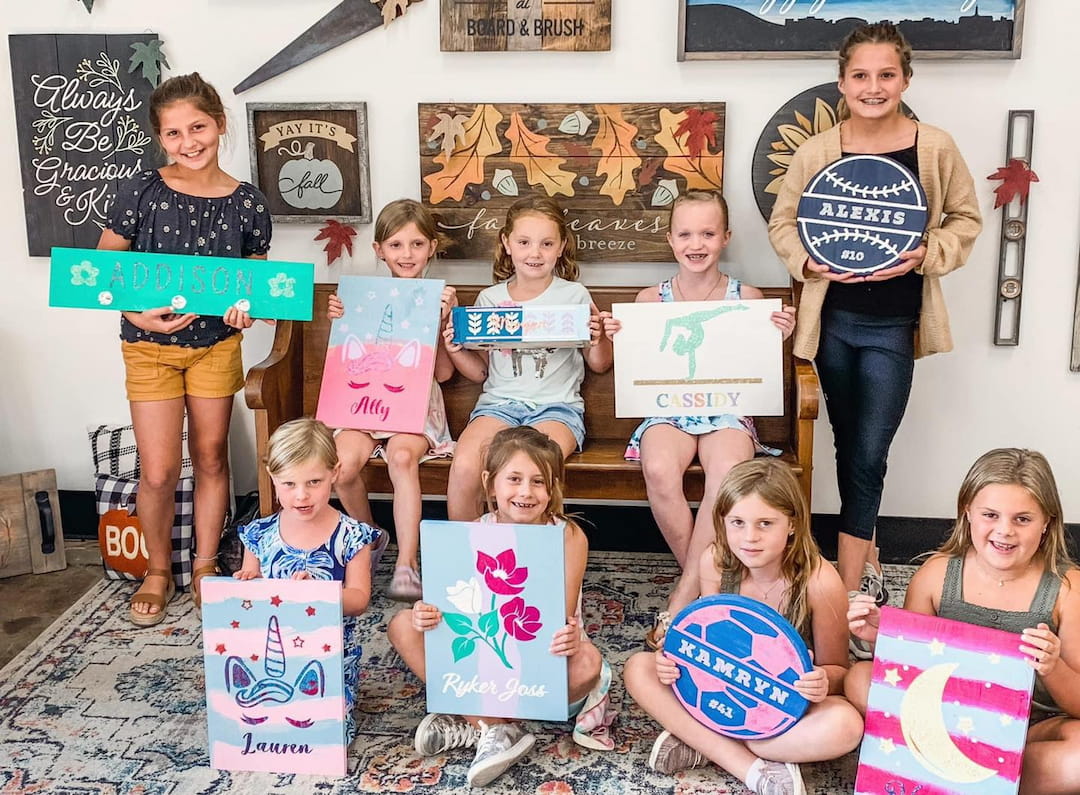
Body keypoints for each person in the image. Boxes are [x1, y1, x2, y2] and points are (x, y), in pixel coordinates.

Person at [767, 21, 982, 617]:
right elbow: (784, 223)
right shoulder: (817, 152)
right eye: (861, 75)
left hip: (893, 324)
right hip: (833, 320)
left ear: (905, 79)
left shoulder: (933, 146)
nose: (873, 85)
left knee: (870, 451)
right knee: (845, 442)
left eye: (886, 74)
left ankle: (845, 582)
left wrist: (927, 254)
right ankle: (863, 562)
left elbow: (965, 220)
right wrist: (808, 260)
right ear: (842, 82)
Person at [96, 72, 272, 626]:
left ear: (219, 125)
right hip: (148, 349)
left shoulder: (247, 202)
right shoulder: (141, 191)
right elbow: (105, 269)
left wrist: (247, 308)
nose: (188, 141)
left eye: (197, 127)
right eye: (173, 133)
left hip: (216, 347)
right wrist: (132, 310)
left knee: (213, 456)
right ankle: (155, 569)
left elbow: (258, 287)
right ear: (160, 139)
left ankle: (201, 564)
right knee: (157, 471)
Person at [602, 190, 796, 648]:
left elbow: (758, 370)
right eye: (686, 234)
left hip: (726, 407)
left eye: (707, 233)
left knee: (728, 472)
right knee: (659, 468)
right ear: (670, 240)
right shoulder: (649, 300)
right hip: (668, 408)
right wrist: (615, 337)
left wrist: (779, 337)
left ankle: (686, 593)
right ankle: (709, 579)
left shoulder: (747, 295)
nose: (697, 243)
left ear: (725, 238)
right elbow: (628, 366)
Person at [387, 426, 614, 787]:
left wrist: (568, 637)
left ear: (553, 487)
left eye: (539, 481)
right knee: (402, 624)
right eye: (514, 479)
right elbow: (449, 606)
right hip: (485, 658)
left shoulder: (569, 535)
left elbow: (557, 613)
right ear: (490, 483)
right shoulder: (474, 532)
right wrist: (426, 614)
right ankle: (496, 730)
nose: (526, 491)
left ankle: (475, 722)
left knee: (589, 663)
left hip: (540, 659)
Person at [846, 448, 1080, 795]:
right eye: (990, 515)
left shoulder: (1068, 589)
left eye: (1022, 519)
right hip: (944, 720)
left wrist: (1052, 666)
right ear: (967, 512)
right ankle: (976, 775)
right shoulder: (936, 574)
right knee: (860, 677)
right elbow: (909, 675)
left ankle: (963, 777)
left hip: (1032, 724)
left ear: (1047, 522)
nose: (1005, 531)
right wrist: (881, 638)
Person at [624, 458, 863, 795]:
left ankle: (708, 744)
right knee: (639, 668)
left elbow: (839, 670)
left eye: (765, 523)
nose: (749, 537)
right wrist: (672, 662)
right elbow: (709, 651)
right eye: (737, 522)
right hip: (725, 695)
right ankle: (751, 769)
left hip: (787, 706)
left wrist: (821, 682)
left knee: (846, 725)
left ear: (792, 524)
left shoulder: (819, 582)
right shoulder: (716, 563)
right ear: (722, 522)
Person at [442, 197, 612, 521]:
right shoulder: (490, 299)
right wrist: (454, 349)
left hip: (557, 409)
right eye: (524, 242)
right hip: (498, 405)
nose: (535, 253)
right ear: (507, 244)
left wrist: (599, 337)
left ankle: (532, 556)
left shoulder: (574, 296)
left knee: (534, 468)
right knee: (465, 465)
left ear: (561, 246)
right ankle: (464, 559)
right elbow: (480, 372)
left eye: (546, 243)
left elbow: (599, 364)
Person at [326, 199, 457, 602]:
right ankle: (367, 543)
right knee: (342, 466)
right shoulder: (359, 298)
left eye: (417, 244)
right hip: (362, 408)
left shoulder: (441, 298)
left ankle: (407, 563)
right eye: (397, 245)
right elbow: (346, 362)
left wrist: (442, 324)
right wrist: (341, 322)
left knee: (402, 458)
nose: (407, 254)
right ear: (379, 249)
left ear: (432, 247)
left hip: (414, 409)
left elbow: (445, 375)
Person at [234, 418, 378, 744]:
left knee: (324, 734)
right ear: (272, 477)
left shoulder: (352, 536)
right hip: (268, 651)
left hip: (328, 656)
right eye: (289, 484)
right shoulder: (260, 535)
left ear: (335, 473)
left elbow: (359, 599)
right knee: (253, 720)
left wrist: (322, 595)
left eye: (314, 482)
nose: (301, 495)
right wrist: (247, 584)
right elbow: (251, 599)